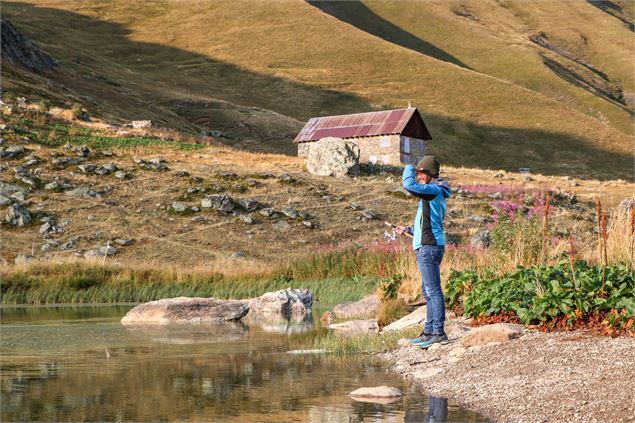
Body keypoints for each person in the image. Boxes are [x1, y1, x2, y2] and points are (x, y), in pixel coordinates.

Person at [395, 156, 451, 348]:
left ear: (429, 174)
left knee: (434, 291)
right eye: (417, 173)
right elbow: (427, 222)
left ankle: (438, 332)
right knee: (427, 292)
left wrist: (409, 168)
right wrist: (409, 230)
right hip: (426, 244)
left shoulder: (434, 190)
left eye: (420, 173)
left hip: (430, 246)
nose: (418, 176)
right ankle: (429, 332)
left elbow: (408, 185)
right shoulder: (432, 194)